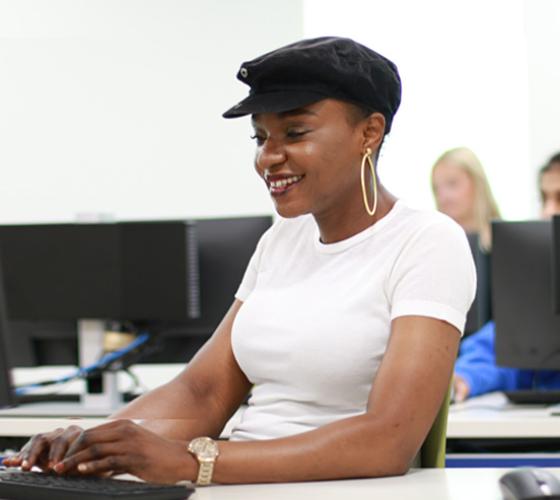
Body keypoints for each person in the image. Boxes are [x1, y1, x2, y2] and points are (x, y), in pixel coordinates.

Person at [3, 37, 475, 484]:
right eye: (260, 137)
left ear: (369, 133)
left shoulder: (426, 242)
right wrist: (92, 442)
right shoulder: (282, 241)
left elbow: (385, 441)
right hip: (240, 482)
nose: (269, 157)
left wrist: (195, 462)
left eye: (295, 132)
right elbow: (201, 393)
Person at [453, 152, 560, 402]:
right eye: (544, 199)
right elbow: (500, 351)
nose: (547, 212)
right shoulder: (541, 287)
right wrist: (462, 378)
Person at [431, 147, 501, 250]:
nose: (443, 196)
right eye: (436, 189)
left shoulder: (506, 243)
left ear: (477, 184)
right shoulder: (433, 246)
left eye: (452, 183)